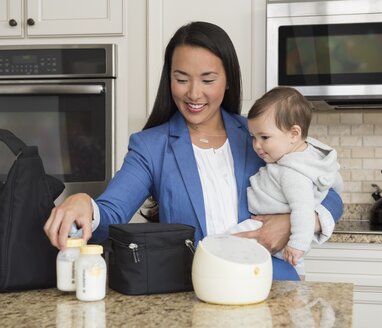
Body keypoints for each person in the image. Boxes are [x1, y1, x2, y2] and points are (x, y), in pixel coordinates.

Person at [44, 21, 343, 281]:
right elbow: (110, 213)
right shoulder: (150, 146)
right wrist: (82, 202)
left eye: (208, 80)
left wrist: (292, 223)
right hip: (194, 293)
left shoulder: (259, 137)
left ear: (227, 81)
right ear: (169, 79)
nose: (193, 93)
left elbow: (329, 193)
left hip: (271, 285)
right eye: (181, 79)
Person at [227, 86, 343, 278]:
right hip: (283, 230)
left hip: (268, 226)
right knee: (296, 275)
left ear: (294, 134)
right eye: (253, 137)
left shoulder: (292, 172)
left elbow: (303, 209)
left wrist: (297, 244)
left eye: (264, 137)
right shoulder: (312, 156)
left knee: (230, 242)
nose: (256, 145)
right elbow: (336, 183)